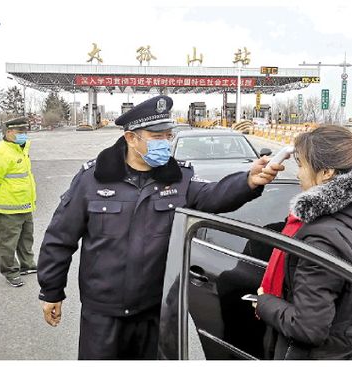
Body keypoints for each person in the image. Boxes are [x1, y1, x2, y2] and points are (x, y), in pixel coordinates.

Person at [37, 95, 283, 360]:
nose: (166, 143)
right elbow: (60, 238)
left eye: (168, 136)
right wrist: (51, 290)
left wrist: (249, 181)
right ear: (131, 138)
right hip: (102, 313)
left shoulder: (178, 178)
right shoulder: (92, 180)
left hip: (155, 310)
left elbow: (215, 195)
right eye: (157, 137)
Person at [254, 125, 352, 359]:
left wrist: (264, 303)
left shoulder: (322, 239)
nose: (298, 174)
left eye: (301, 166)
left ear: (326, 172)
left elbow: (308, 329)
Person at [0, 117, 37, 288]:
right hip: (7, 208)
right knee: (7, 242)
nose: (24, 135)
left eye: (25, 132)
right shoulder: (0, 154)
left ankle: (27, 264)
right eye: (20, 133)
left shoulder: (20, 148)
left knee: (26, 238)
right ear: (9, 132)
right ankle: (10, 271)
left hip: (24, 204)